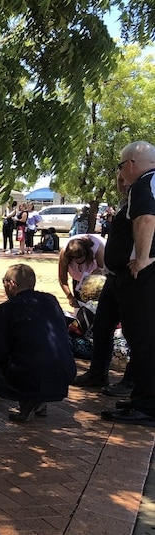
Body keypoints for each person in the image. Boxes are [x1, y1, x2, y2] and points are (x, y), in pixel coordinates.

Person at [0, 264, 76, 422]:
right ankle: (38, 399)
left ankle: (28, 399)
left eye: (4, 282)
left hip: (31, 374)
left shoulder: (5, 310)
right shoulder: (51, 301)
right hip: (65, 372)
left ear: (12, 284)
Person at [102, 141, 155, 426]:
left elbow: (146, 219)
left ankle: (147, 405)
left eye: (121, 166)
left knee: (144, 339)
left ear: (131, 164)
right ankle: (143, 397)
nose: (121, 173)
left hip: (144, 275)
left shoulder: (145, 184)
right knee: (143, 339)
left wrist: (143, 258)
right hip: (142, 275)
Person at [74, 174, 135, 395]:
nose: (122, 182)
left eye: (125, 179)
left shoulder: (144, 202)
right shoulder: (123, 204)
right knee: (101, 326)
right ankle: (97, 374)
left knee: (134, 331)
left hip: (132, 277)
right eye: (119, 180)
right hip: (113, 276)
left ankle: (132, 381)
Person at [58, 233, 106, 307]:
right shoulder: (64, 254)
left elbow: (104, 272)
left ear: (86, 253)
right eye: (74, 257)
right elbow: (62, 279)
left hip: (96, 277)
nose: (78, 260)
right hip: (78, 277)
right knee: (78, 301)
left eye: (80, 257)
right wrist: (70, 297)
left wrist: (95, 275)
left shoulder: (98, 249)